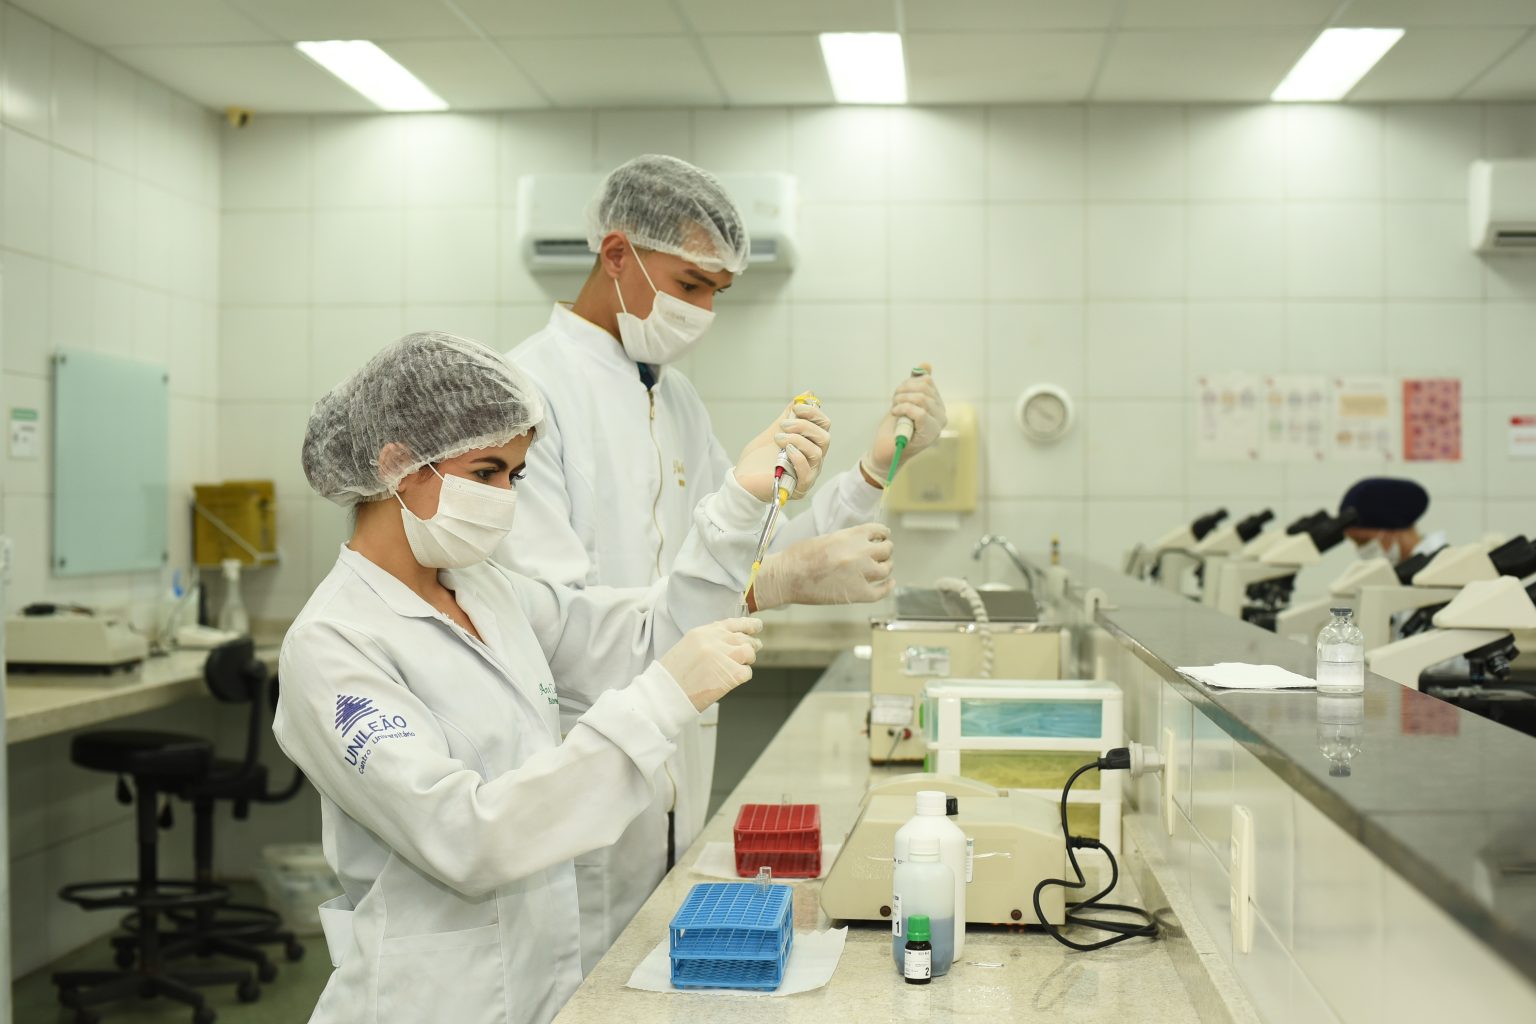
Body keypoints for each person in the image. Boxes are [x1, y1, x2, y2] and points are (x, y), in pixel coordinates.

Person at [273, 331, 835, 1024]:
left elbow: (640, 637)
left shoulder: (485, 588)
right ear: (397, 466)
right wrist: (659, 701)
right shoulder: (333, 644)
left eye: (514, 476)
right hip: (429, 1003)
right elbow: (467, 835)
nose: (503, 498)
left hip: (539, 986)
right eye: (485, 472)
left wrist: (738, 506)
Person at [497, 154, 947, 972]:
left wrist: (875, 469)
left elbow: (748, 542)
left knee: (653, 965)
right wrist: (768, 586)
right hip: (587, 747)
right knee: (584, 980)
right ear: (617, 254)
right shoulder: (528, 392)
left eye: (718, 292)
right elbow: (557, 627)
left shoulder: (672, 396)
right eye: (691, 284)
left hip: (676, 747)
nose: (704, 310)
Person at [1340, 477, 1445, 564]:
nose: (1361, 550)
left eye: (1364, 541)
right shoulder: (1401, 569)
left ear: (1393, 530)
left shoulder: (1440, 568)